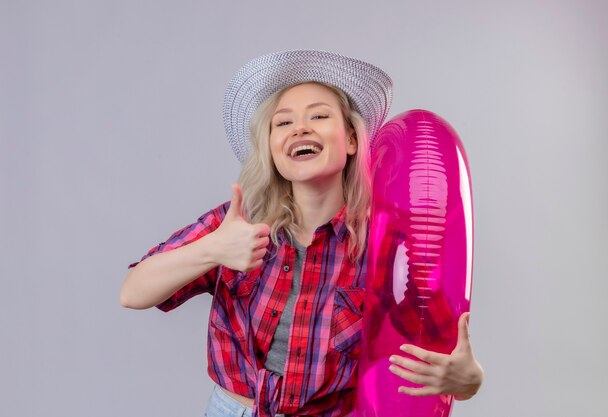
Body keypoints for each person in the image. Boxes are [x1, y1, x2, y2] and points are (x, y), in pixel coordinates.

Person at [120, 50, 483, 417]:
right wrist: (212, 249)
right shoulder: (240, 223)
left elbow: (436, 345)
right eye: (283, 123)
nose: (300, 128)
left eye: (320, 116)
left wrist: (469, 382)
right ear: (273, 149)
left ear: (352, 140)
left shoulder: (382, 245)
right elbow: (133, 291)